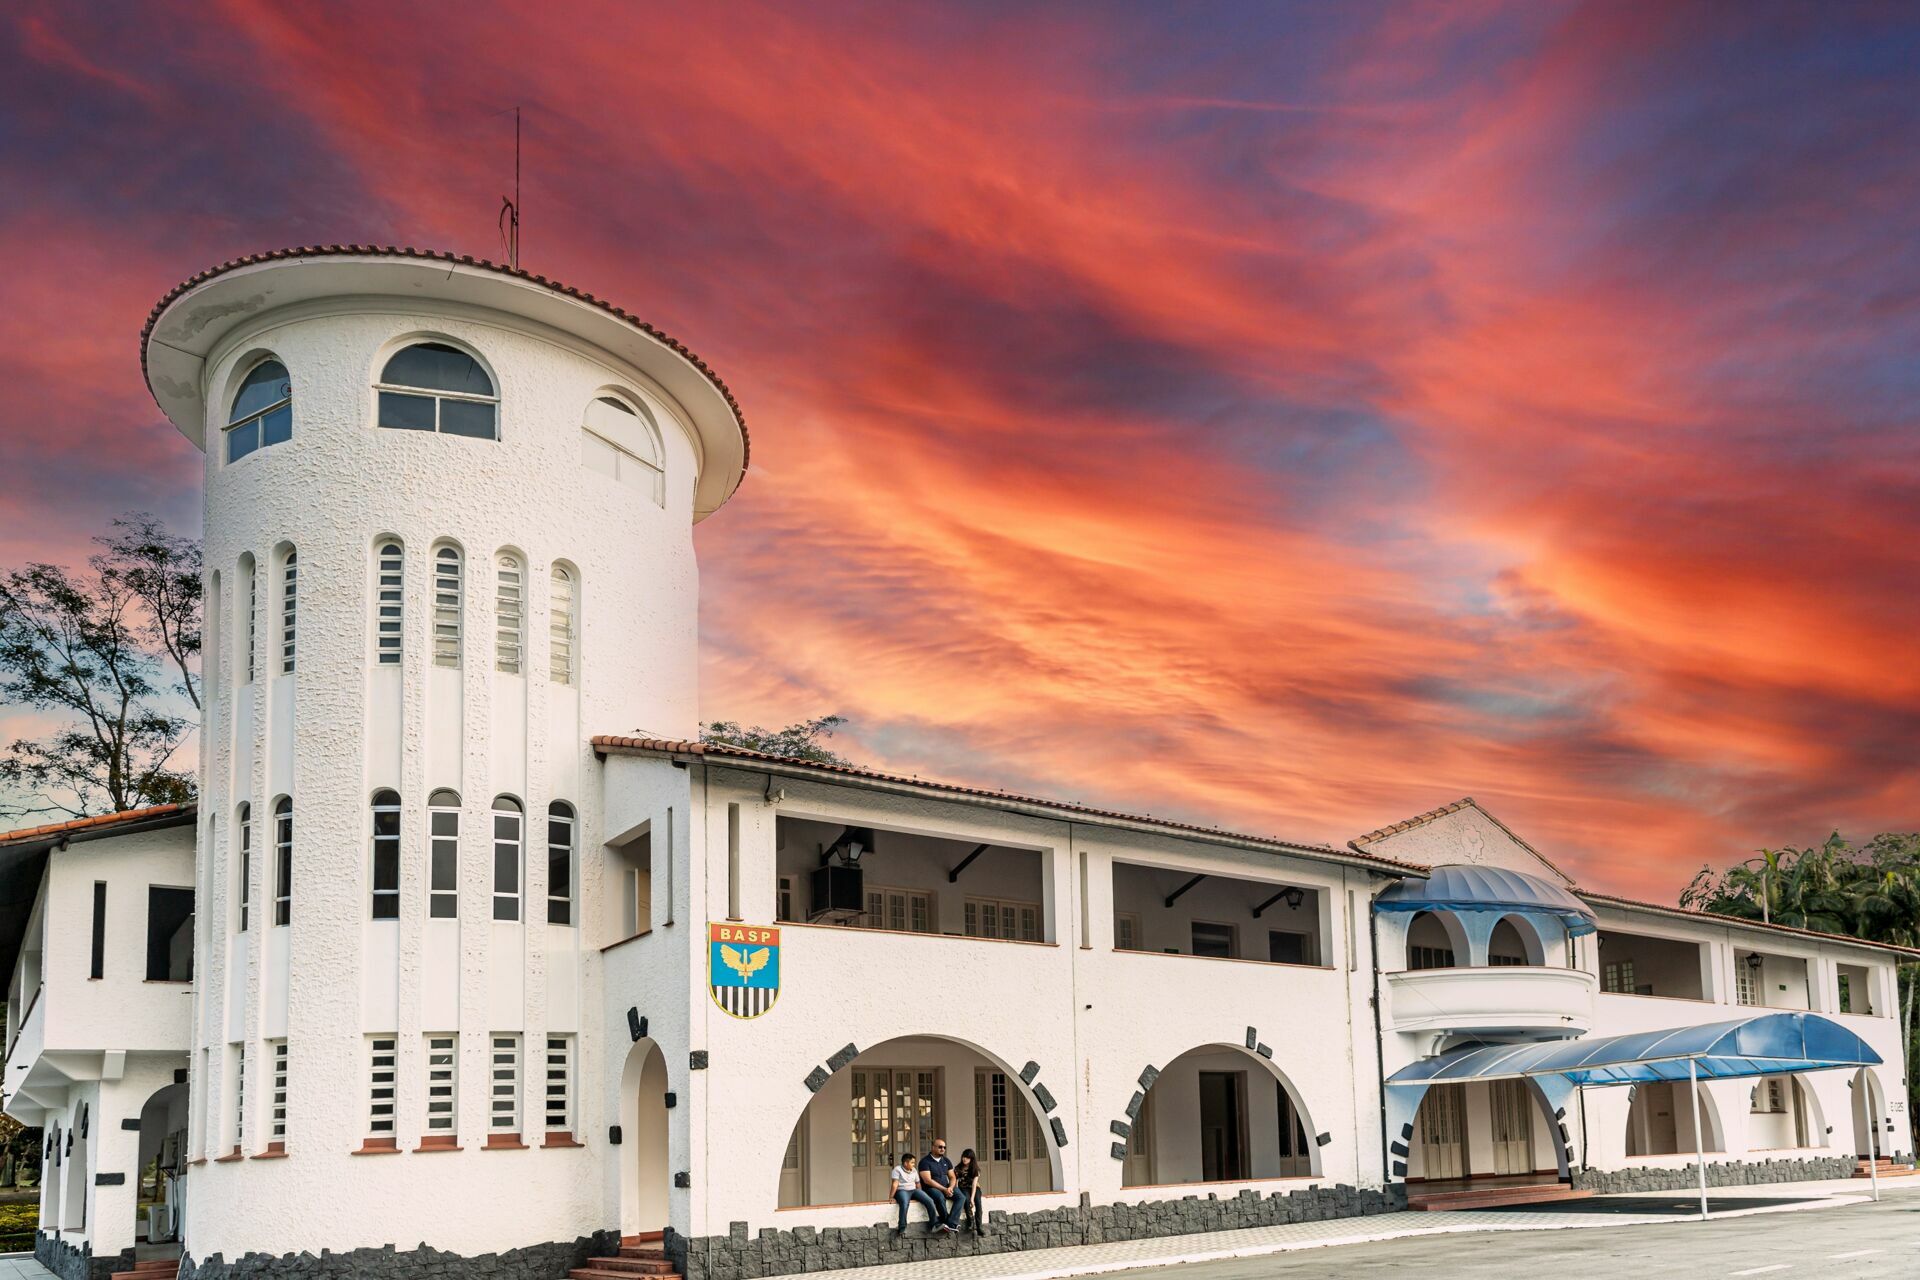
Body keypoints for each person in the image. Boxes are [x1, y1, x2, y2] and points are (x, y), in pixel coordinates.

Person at [917, 1137, 961, 1233]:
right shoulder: (924, 1162)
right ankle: (948, 1222)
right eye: (940, 1147)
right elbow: (927, 1180)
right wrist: (944, 1189)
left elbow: (952, 1177)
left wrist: (950, 1187)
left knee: (961, 1196)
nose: (943, 1149)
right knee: (940, 1197)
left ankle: (950, 1222)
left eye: (944, 1147)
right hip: (931, 1188)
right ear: (933, 1147)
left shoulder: (946, 1161)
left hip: (946, 1187)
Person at [889, 1152, 936, 1235]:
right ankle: (902, 1227)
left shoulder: (914, 1170)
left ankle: (933, 1224)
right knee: (904, 1203)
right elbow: (895, 1184)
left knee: (929, 1200)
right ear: (905, 1163)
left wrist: (921, 1194)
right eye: (912, 1162)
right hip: (902, 1191)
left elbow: (918, 1183)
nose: (914, 1164)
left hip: (913, 1190)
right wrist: (891, 1197)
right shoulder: (897, 1169)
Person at [955, 1147, 987, 1235]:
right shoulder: (958, 1168)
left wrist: (972, 1198)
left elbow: (974, 1184)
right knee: (966, 1200)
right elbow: (956, 1183)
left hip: (975, 1188)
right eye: (964, 1157)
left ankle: (979, 1226)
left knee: (978, 1203)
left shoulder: (975, 1169)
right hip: (963, 1188)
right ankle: (970, 1221)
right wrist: (956, 1192)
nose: (965, 1159)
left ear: (971, 1159)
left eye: (967, 1157)